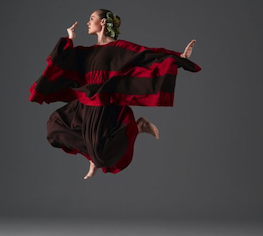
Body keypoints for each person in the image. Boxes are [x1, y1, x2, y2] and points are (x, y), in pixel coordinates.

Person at [29, 9, 201, 180]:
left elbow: (148, 54)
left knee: (103, 157)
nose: (88, 22)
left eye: (92, 18)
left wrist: (180, 56)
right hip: (84, 103)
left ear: (103, 22)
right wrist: (70, 39)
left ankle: (137, 127)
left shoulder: (120, 48)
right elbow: (58, 61)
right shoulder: (86, 52)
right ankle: (92, 156)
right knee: (53, 126)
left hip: (104, 104)